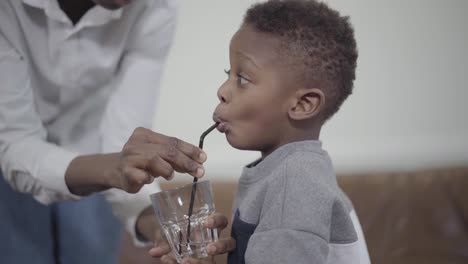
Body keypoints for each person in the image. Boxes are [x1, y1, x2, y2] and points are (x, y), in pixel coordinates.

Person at [0, 0, 233, 263]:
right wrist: (114, 167)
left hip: (99, 168)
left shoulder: (157, 8)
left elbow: (124, 142)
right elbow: (15, 144)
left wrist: (158, 226)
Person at [208, 0, 371, 263]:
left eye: (243, 79)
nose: (222, 91)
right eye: (229, 73)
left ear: (302, 104)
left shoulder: (294, 183)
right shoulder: (292, 172)